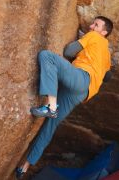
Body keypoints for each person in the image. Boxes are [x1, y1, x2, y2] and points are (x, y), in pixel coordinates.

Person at [15, 16, 113, 179]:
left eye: (96, 25)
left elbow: (68, 51)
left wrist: (83, 41)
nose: (91, 26)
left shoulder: (94, 36)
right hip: (81, 93)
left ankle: (51, 106)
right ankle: (24, 167)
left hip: (81, 78)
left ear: (103, 32)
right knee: (50, 126)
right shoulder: (107, 53)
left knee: (47, 56)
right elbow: (108, 76)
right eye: (92, 23)